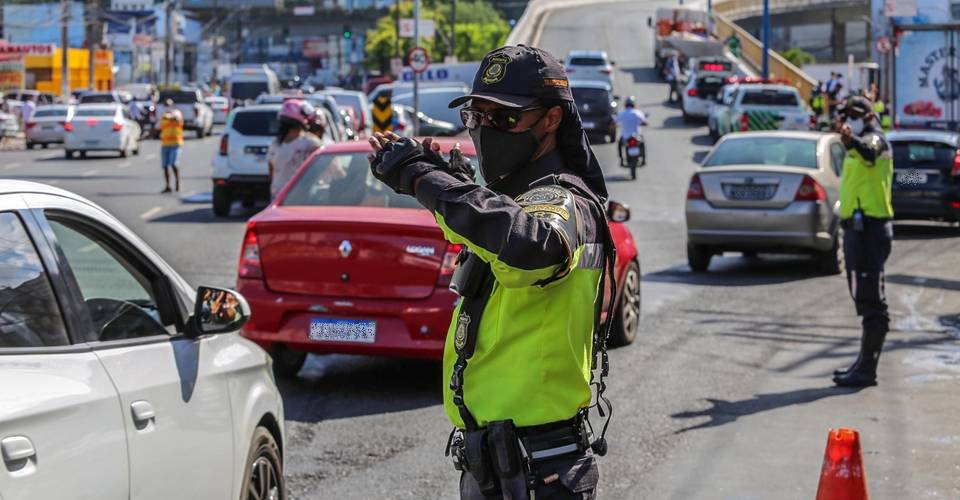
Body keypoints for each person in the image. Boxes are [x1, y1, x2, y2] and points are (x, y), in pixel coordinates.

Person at [368, 44, 614, 500]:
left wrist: (426, 180)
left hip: (541, 472)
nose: (486, 130)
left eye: (503, 119)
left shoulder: (564, 201)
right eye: (476, 117)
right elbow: (488, 229)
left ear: (552, 120)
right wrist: (453, 180)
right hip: (497, 466)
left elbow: (530, 246)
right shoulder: (520, 201)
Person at [833, 95, 894, 388]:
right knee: (862, 296)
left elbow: (870, 152)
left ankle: (867, 369)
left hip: (869, 230)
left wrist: (852, 141)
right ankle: (862, 363)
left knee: (872, 302)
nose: (848, 120)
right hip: (857, 230)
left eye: (852, 114)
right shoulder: (858, 144)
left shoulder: (876, 141)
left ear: (868, 116)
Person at [266, 99, 323, 199]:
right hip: (295, 198)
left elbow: (271, 172)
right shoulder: (310, 143)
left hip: (284, 197)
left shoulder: (276, 144)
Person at [158, 99, 184, 193]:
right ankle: (167, 185)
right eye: (165, 105)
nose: (166, 106)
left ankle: (177, 181)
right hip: (165, 144)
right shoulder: (163, 117)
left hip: (176, 143)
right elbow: (160, 127)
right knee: (165, 166)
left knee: (174, 164)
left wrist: (169, 115)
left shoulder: (177, 113)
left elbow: (176, 117)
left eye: (168, 105)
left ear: (172, 105)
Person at [615, 96, 648, 166]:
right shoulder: (637, 113)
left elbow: (615, 122)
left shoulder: (622, 114)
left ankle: (621, 160)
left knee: (619, 145)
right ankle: (644, 160)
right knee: (643, 144)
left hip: (625, 137)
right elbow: (644, 121)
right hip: (637, 136)